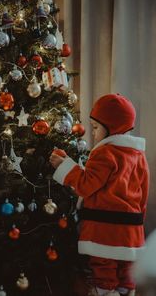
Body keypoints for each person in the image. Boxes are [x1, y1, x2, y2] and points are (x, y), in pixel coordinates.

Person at [49, 94, 149, 296]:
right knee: (126, 273)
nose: (93, 134)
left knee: (104, 270)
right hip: (131, 229)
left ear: (112, 128)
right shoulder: (138, 155)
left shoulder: (105, 153)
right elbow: (143, 193)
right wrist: (139, 223)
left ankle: (104, 292)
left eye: (95, 127)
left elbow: (86, 185)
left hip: (105, 230)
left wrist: (65, 166)